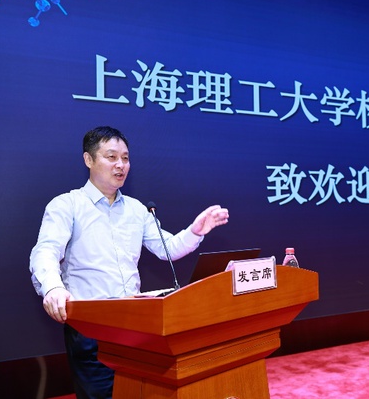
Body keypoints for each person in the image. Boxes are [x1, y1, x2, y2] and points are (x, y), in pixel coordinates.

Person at [29, 126, 229, 399]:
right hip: (91, 326)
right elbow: (45, 251)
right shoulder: (67, 205)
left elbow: (167, 249)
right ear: (88, 159)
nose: (120, 165)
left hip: (136, 326)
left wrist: (195, 231)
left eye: (125, 158)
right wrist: (52, 288)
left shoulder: (137, 210)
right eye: (111, 157)